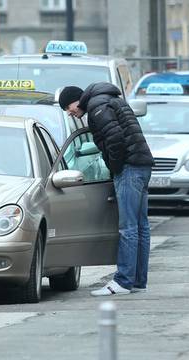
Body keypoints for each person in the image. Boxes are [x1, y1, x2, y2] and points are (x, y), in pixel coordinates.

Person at [59, 83, 154, 296]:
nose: (70, 112)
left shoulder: (97, 107)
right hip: (141, 165)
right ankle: (138, 280)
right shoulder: (109, 100)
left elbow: (114, 139)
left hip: (129, 168)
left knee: (128, 227)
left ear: (77, 100)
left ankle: (123, 281)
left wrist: (115, 167)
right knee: (140, 226)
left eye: (68, 107)